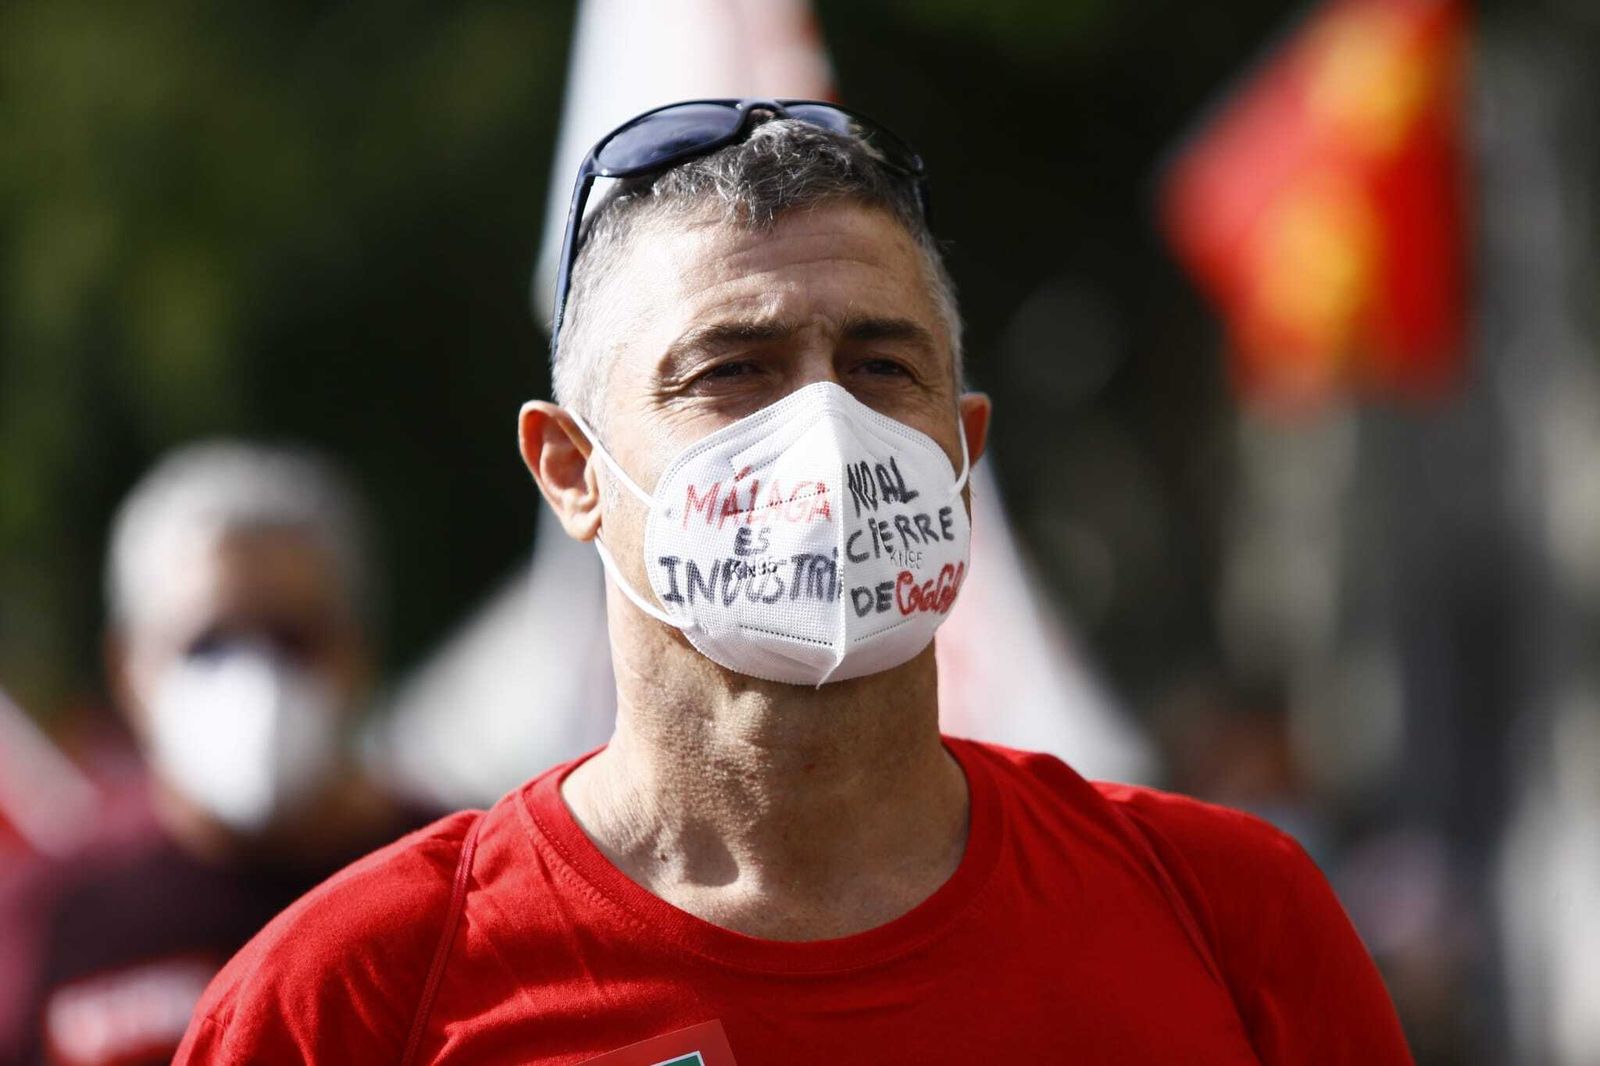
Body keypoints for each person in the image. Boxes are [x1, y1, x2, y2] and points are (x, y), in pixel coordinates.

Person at [174, 101, 1413, 1064]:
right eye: (732, 369)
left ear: (964, 450)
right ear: (570, 471)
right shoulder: (353, 997)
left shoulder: (1228, 918)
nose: (823, 428)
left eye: (882, 365)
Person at [10, 441, 431, 1066]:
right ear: (129, 668)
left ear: (358, 654)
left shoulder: (466, 891)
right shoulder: (53, 921)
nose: (255, 676)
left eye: (293, 639)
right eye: (208, 643)